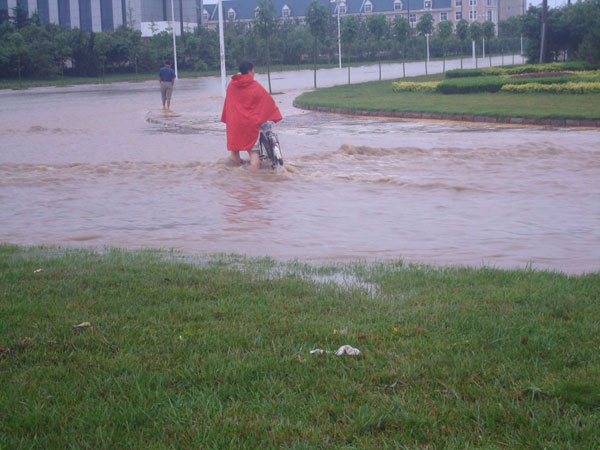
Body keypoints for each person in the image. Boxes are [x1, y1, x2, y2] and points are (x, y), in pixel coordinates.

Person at [221, 61, 282, 171]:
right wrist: (273, 115)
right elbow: (267, 102)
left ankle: (234, 179)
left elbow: (228, 105)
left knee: (234, 152)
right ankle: (252, 180)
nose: (254, 72)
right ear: (249, 71)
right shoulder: (254, 85)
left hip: (234, 124)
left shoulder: (231, 85)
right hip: (249, 125)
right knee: (253, 152)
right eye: (253, 70)